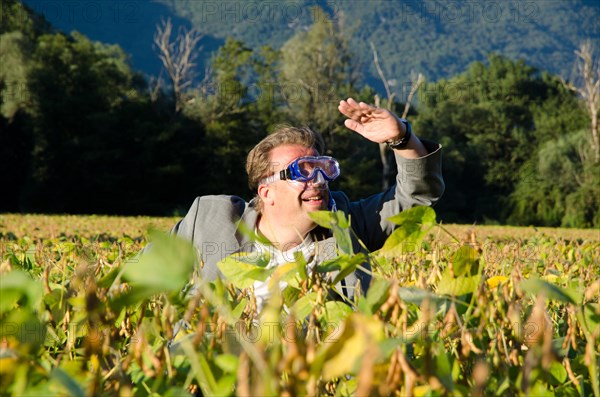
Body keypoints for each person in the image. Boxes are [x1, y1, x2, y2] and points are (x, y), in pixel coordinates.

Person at [169, 98, 444, 307]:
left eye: (323, 168)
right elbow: (140, 276)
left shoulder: (345, 226)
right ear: (267, 192)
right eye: (302, 171)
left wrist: (402, 139)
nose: (319, 180)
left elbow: (416, 197)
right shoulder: (210, 219)